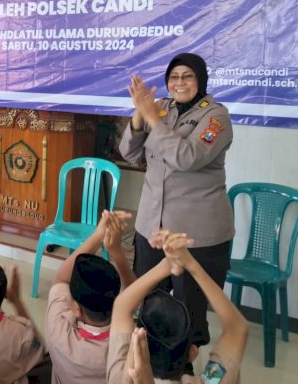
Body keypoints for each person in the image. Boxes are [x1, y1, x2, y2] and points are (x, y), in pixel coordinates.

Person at [119, 53, 234, 350]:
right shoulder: (161, 109)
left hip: (194, 236)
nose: (179, 83)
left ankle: (185, 371)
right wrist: (138, 115)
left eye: (187, 76)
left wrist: (152, 120)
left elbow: (188, 157)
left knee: (190, 314)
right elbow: (129, 153)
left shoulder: (216, 117)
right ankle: (151, 366)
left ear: (201, 80)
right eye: (174, 77)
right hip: (152, 229)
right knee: (150, 305)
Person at [108, 230, 248, 383]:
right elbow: (237, 329)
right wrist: (191, 264)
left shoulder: (120, 376)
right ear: (193, 352)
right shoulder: (211, 380)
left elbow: (121, 306)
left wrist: (165, 265)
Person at [45, 210, 135, 384]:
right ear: (116, 303)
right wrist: (117, 251)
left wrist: (97, 236)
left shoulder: (59, 330)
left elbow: (61, 278)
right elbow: (132, 296)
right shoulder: (127, 345)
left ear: (77, 309)